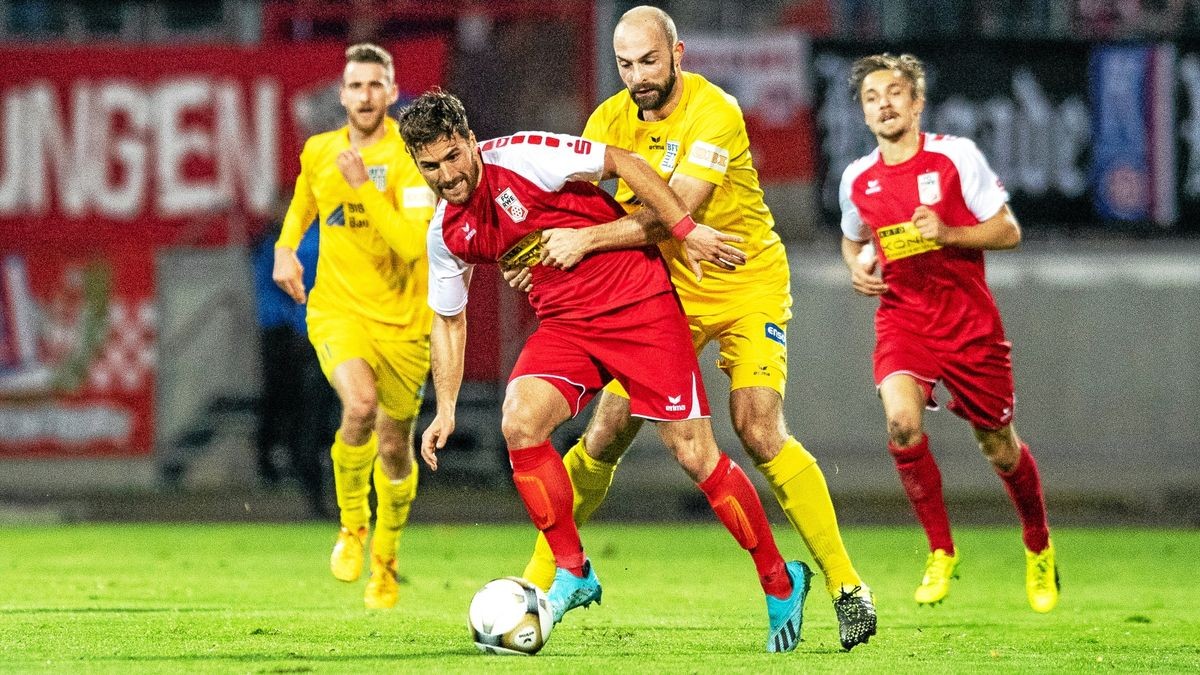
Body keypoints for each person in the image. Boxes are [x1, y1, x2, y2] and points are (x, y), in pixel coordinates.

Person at [512, 5, 876, 651]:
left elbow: (673, 211)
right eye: (625, 64)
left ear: (677, 52)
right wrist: (537, 252)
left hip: (744, 280)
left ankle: (847, 586)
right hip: (663, 292)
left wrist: (582, 239)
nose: (637, 76)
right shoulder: (609, 120)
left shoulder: (716, 110)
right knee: (603, 432)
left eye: (649, 61)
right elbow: (573, 208)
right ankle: (542, 583)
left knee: (758, 425)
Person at [400, 89, 813, 653]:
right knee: (519, 423)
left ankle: (780, 581)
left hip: (639, 304)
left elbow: (626, 163)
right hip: (566, 325)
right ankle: (573, 568)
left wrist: (685, 232)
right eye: (430, 166)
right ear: (416, 164)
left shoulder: (523, 156)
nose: (446, 175)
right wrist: (444, 407)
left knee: (694, 453)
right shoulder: (446, 233)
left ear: (470, 141)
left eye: (453, 157)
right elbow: (448, 321)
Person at [837, 53, 1059, 613]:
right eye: (871, 97)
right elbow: (853, 237)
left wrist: (949, 232)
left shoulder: (956, 156)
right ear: (863, 114)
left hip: (968, 324)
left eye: (893, 93)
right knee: (902, 424)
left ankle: (1038, 547)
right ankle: (941, 551)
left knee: (998, 447)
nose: (883, 104)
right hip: (902, 319)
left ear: (916, 102)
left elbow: (1008, 231)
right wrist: (856, 266)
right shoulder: (857, 178)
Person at [273, 43, 437, 609]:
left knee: (394, 448)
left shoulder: (413, 157)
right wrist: (285, 249)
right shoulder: (320, 150)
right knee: (359, 406)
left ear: (391, 93)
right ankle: (351, 527)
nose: (364, 96)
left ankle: (386, 562)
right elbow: (303, 204)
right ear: (341, 95)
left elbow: (413, 245)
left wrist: (365, 184)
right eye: (355, 86)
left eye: (375, 85)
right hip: (337, 309)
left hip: (404, 323)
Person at [251, 213, 336, 519]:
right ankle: (338, 499)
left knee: (309, 416)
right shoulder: (325, 237)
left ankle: (314, 493)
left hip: (307, 337)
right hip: (329, 339)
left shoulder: (288, 241)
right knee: (328, 418)